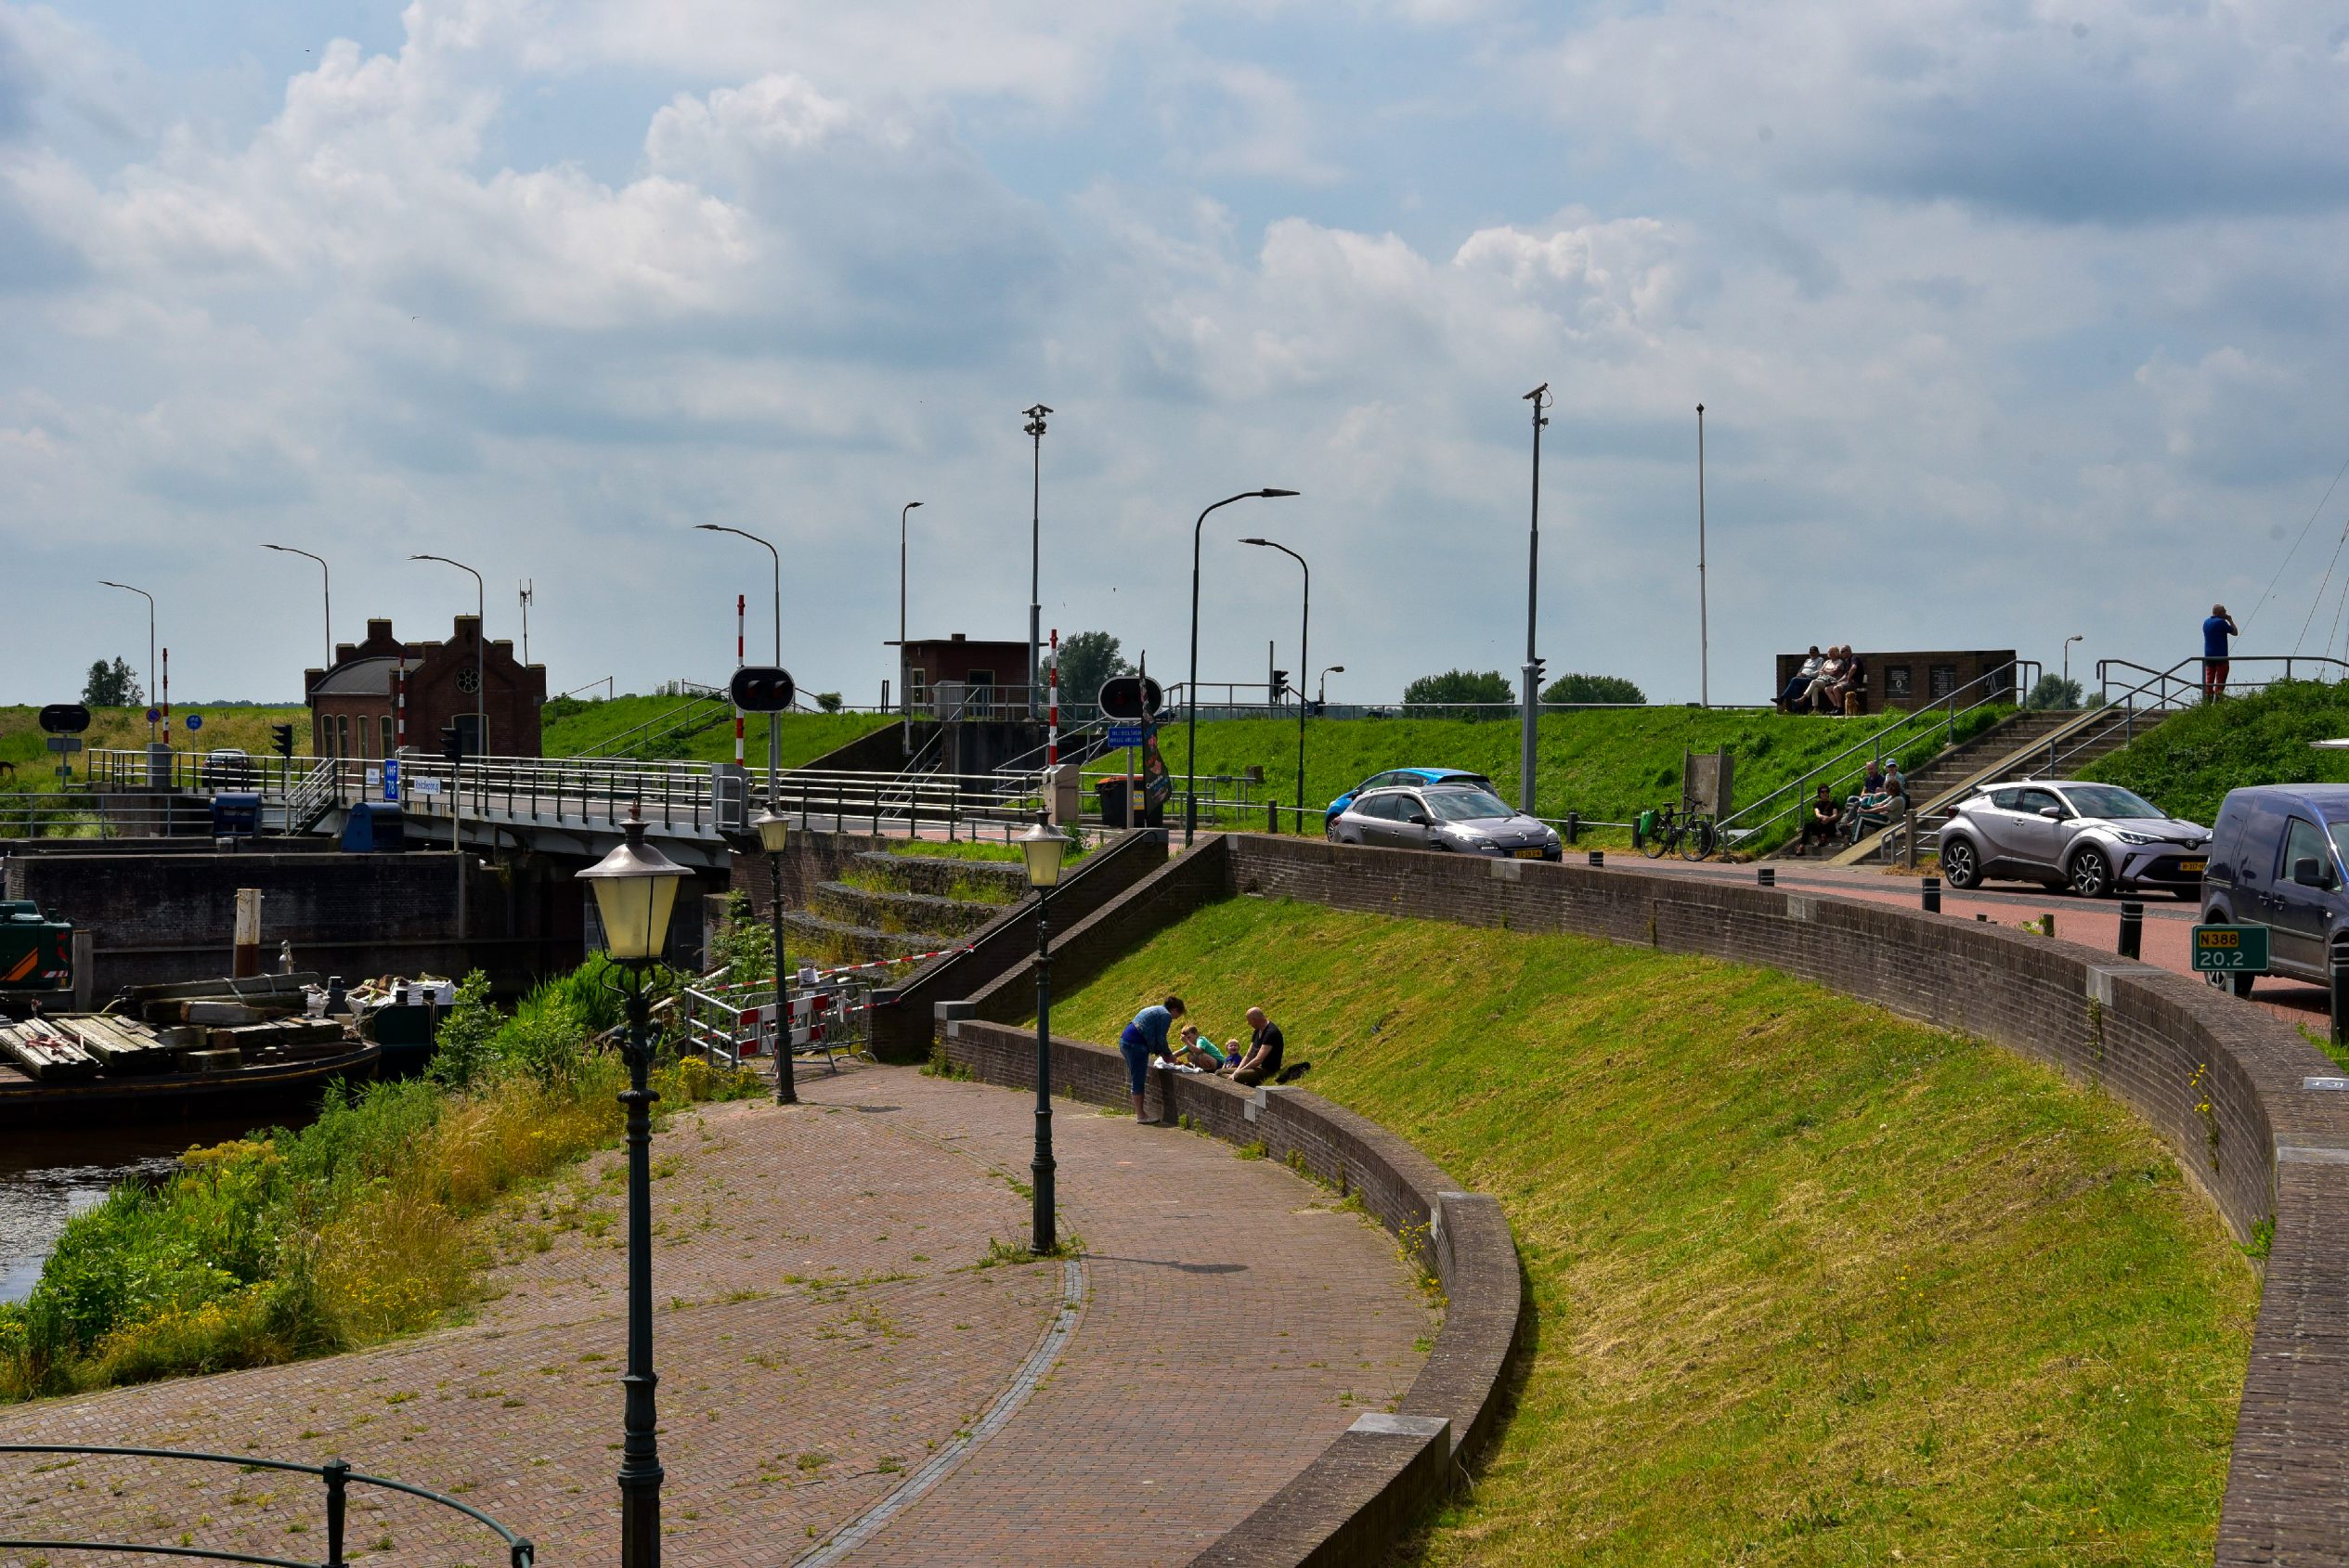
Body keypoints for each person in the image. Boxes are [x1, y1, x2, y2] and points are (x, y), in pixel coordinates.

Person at [1119, 996, 1184, 1122]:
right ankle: (1141, 1116)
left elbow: (1150, 1033)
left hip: (1125, 1041)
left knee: (1136, 1076)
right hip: (1137, 1045)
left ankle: (1140, 1113)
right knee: (1138, 1078)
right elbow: (1161, 1038)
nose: (1175, 1019)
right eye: (1177, 1015)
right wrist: (1168, 1054)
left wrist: (1161, 1052)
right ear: (1175, 1009)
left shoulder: (1155, 1009)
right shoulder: (1165, 1015)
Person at [1228, 1006, 1286, 1088]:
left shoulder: (1271, 1033)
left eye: (1249, 1021)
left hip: (1266, 1069)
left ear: (1254, 1019)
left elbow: (1258, 1060)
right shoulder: (1257, 1030)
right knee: (1219, 1072)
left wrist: (1237, 1073)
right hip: (1253, 1067)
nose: (1249, 1024)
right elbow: (1249, 1055)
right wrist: (1236, 1071)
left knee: (1238, 1076)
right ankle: (1233, 1081)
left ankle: (1236, 1082)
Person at [2203, 604, 2237, 702]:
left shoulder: (2206, 622)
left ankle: (2207, 700)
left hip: (2208, 656)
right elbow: (2235, 632)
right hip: (2221, 655)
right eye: (2224, 611)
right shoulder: (2221, 623)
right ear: (2220, 613)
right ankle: (2217, 700)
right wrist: (2230, 621)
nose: (2226, 613)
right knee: (2220, 679)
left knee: (2209, 679)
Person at [1796, 784, 1841, 855]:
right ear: (1819, 793)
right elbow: (1817, 813)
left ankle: (1823, 837)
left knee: (1827, 823)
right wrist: (1823, 817)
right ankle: (1801, 846)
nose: (1825, 793)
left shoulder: (1833, 803)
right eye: (1822, 792)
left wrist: (1829, 818)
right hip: (1821, 826)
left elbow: (1835, 815)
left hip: (1830, 827)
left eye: (1826, 791)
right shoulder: (1817, 804)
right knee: (1808, 825)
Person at [1778, 647, 1823, 713]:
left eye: (1813, 652)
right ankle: (1796, 709)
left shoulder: (1820, 660)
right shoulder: (1807, 660)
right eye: (1810, 652)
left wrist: (1806, 675)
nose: (1811, 654)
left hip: (1811, 679)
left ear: (1817, 652)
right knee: (1795, 686)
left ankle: (1782, 698)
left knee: (1794, 680)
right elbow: (1800, 670)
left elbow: (1818, 672)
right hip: (1802, 678)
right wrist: (1799, 674)